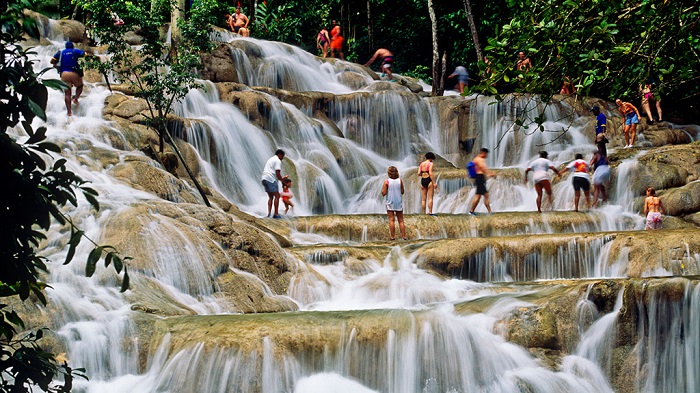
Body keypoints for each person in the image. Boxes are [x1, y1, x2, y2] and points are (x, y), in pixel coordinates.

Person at [51, 41, 87, 117]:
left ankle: (69, 112)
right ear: (72, 46)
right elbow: (85, 54)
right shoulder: (75, 51)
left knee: (67, 94)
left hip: (64, 74)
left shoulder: (60, 52)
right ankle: (76, 99)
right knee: (80, 86)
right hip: (74, 73)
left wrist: (56, 63)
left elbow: (52, 60)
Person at [261, 149, 288, 218]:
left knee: (271, 197)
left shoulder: (271, 159)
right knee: (277, 196)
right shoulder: (277, 160)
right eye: (282, 156)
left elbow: (275, 174)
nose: (282, 158)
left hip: (264, 178)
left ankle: (269, 214)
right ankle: (276, 214)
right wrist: (284, 182)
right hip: (270, 179)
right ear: (280, 155)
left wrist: (282, 178)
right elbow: (278, 174)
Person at [381, 166, 406, 240]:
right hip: (398, 202)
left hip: (390, 202)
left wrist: (384, 189)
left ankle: (392, 237)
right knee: (401, 220)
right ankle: (404, 236)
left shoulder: (387, 182)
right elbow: (402, 191)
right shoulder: (400, 181)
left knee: (391, 220)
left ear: (389, 173)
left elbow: (383, 193)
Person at [469, 148, 496, 215]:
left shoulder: (476, 159)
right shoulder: (480, 159)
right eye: (486, 154)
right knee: (480, 196)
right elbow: (482, 168)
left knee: (483, 195)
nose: (487, 156)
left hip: (479, 178)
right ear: (483, 153)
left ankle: (489, 212)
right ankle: (471, 211)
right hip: (479, 178)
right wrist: (489, 174)